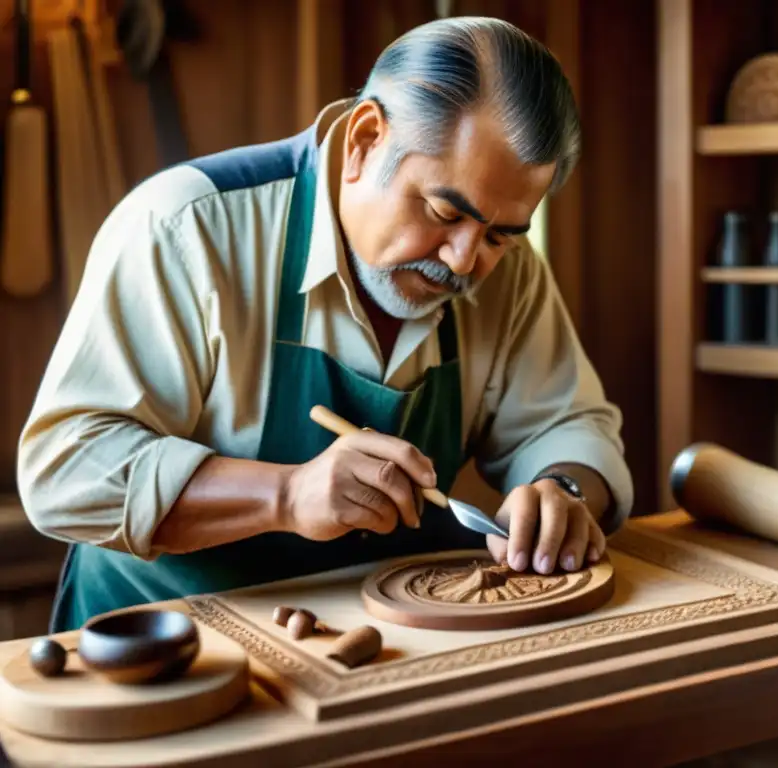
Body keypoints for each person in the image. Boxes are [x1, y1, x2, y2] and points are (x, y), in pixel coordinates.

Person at [16, 16, 634, 632]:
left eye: (500, 234)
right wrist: (286, 495)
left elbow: (567, 423)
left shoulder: (509, 271)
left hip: (366, 647)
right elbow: (63, 469)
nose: (464, 260)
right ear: (366, 139)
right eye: (444, 211)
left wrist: (565, 491)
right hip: (158, 647)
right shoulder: (185, 227)